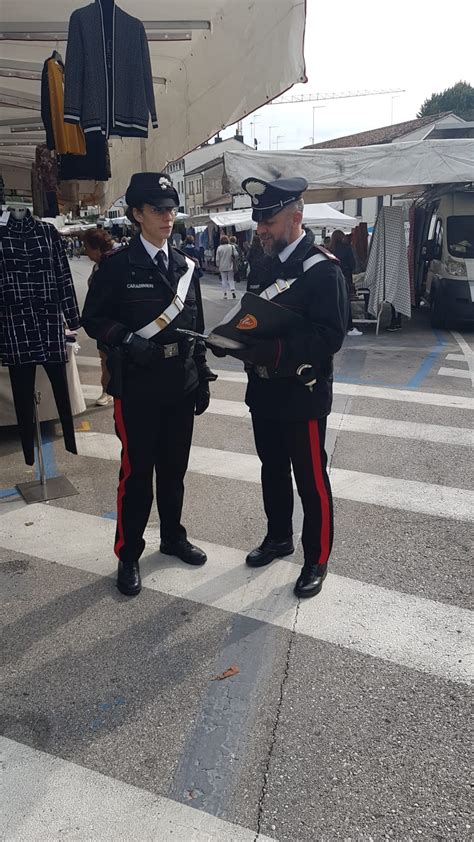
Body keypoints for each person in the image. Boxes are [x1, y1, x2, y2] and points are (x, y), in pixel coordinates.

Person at [82, 172, 217, 597]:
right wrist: (124, 339)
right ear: (137, 214)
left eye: (171, 209)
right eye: (158, 209)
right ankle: (128, 553)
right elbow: (94, 319)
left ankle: (173, 537)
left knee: (174, 471)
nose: (167, 216)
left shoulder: (185, 265)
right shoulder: (118, 267)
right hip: (138, 388)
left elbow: (195, 324)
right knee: (136, 475)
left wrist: (202, 373)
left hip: (180, 384)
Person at [217, 176, 347, 599]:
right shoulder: (264, 262)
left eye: (268, 221)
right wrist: (230, 341)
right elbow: (251, 318)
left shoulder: (322, 269)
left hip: (302, 393)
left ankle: (317, 558)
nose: (261, 229)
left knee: (311, 480)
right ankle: (278, 538)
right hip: (264, 392)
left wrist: (274, 353)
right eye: (259, 221)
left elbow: (329, 337)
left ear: (296, 216)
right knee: (272, 470)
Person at [83, 228, 115, 406]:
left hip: (111, 321)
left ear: (96, 247)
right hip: (102, 321)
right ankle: (107, 390)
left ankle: (109, 391)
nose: (85, 251)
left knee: (109, 359)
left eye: (86, 246)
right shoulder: (98, 266)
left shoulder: (110, 265)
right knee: (105, 358)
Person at [329, 229, 362, 336]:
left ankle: (335, 326)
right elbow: (353, 264)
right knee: (346, 304)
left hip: (332, 279)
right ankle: (349, 327)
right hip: (345, 278)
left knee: (334, 303)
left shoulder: (330, 250)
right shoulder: (347, 248)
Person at [215, 235, 237, 299]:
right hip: (230, 265)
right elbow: (236, 254)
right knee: (231, 279)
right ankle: (233, 291)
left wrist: (217, 265)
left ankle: (225, 294)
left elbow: (217, 258)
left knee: (224, 280)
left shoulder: (219, 248)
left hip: (222, 266)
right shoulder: (232, 247)